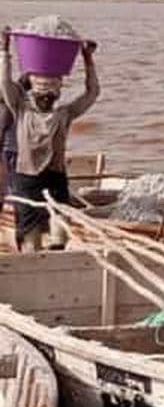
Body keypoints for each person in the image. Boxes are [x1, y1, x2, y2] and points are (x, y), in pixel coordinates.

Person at [0, 27, 100, 251]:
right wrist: (4, 48)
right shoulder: (21, 109)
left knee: (59, 233)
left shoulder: (64, 114)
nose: (46, 94)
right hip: (27, 179)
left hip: (55, 177)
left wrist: (87, 59)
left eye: (51, 90)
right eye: (41, 89)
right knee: (30, 240)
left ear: (58, 93)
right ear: (32, 92)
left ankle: (56, 253)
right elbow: (5, 82)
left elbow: (92, 93)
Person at [0, 75, 30, 208]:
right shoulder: (10, 105)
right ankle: (12, 205)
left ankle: (12, 205)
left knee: (11, 181)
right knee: (11, 181)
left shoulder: (10, 105)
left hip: (12, 149)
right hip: (12, 149)